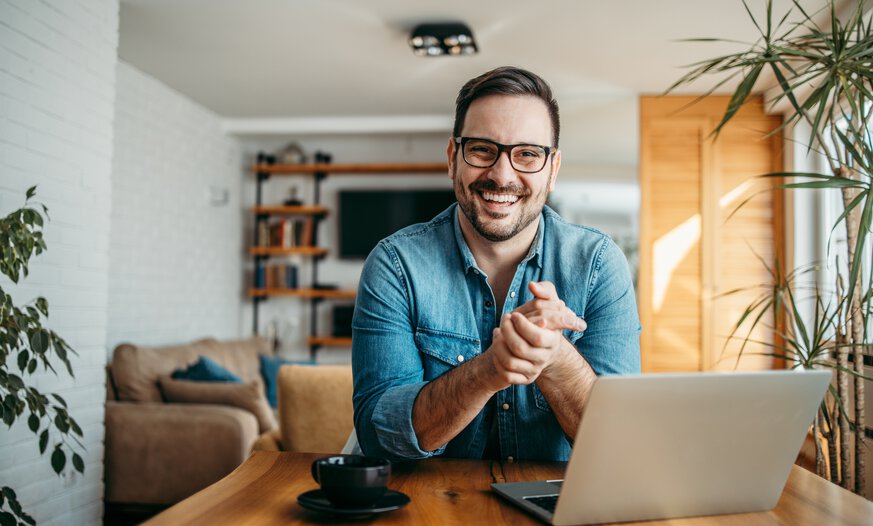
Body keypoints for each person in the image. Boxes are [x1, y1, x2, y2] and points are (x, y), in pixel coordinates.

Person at [352, 66, 640, 462]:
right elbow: (381, 438)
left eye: (527, 154)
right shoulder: (395, 264)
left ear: (552, 169)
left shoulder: (599, 265)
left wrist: (556, 358)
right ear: (453, 158)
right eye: (483, 149)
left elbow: (621, 444)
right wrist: (488, 370)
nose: (502, 175)